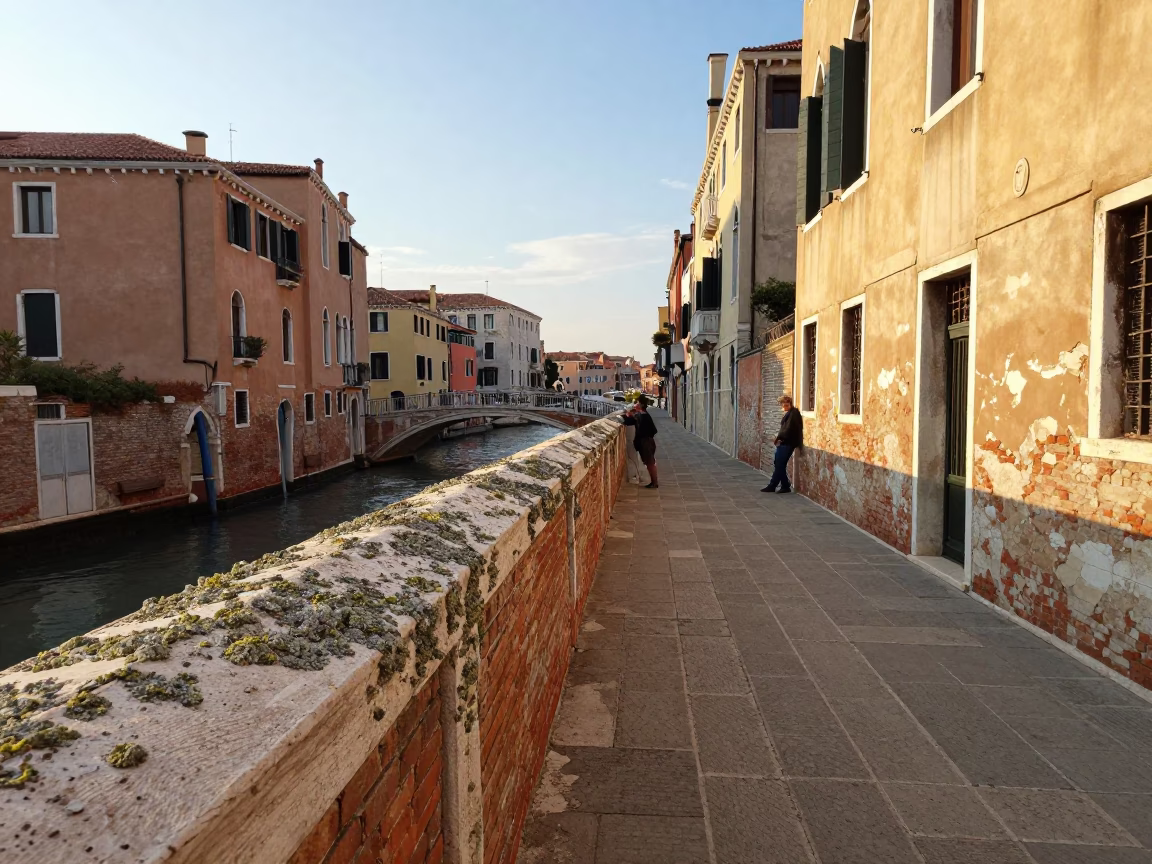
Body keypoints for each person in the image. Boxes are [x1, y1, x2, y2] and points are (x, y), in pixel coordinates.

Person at [762, 394, 802, 493]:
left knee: (779, 464)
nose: (782, 406)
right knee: (779, 464)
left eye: (782, 404)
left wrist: (780, 439)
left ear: (787, 403)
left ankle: (773, 485)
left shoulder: (794, 414)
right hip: (786, 442)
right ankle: (784, 485)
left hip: (787, 443)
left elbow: (788, 430)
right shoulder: (790, 413)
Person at [633, 396, 659, 489]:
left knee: (650, 462)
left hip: (646, 442)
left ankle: (654, 482)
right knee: (649, 462)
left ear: (642, 404)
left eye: (637, 402)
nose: (635, 404)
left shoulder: (644, 416)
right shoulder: (641, 414)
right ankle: (653, 482)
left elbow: (652, 430)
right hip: (646, 441)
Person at [620, 406, 649, 484]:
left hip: (633, 442)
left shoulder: (633, 420)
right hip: (637, 442)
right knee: (635, 459)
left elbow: (627, 421)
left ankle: (635, 477)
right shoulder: (638, 418)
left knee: (632, 459)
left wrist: (625, 415)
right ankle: (637, 476)